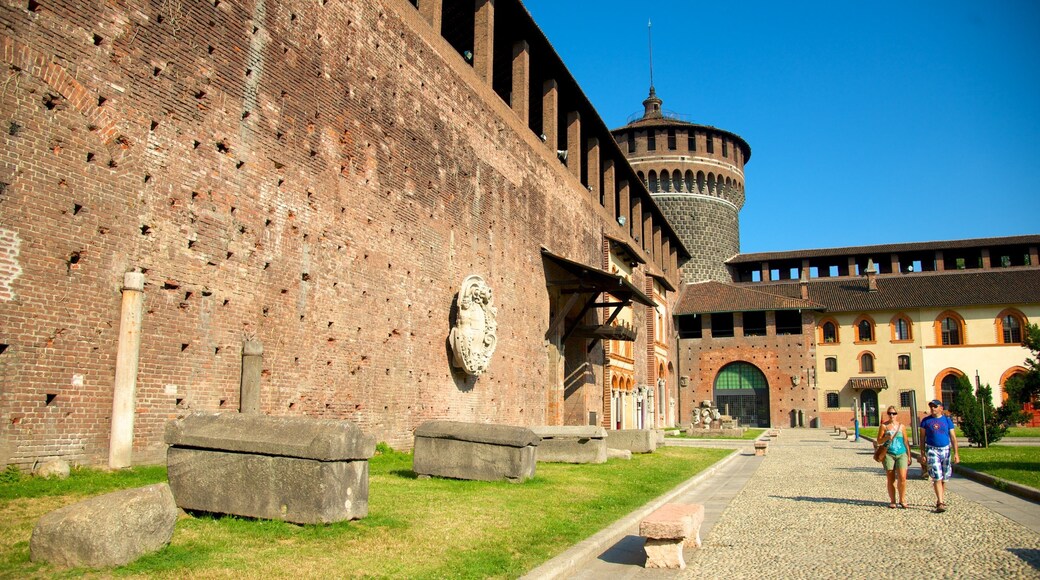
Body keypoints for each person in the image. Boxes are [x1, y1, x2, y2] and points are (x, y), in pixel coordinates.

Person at [919, 399, 959, 513]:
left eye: (935, 406)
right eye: (931, 406)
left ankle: (940, 498)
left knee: (945, 477)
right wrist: (922, 453)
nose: (933, 408)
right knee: (937, 476)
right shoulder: (925, 421)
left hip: (945, 450)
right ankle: (940, 502)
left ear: (941, 408)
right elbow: (922, 438)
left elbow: (953, 437)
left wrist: (956, 453)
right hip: (932, 450)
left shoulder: (947, 421)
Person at [877, 405, 911, 508]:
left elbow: (905, 441)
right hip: (889, 454)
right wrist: (886, 437)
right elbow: (879, 440)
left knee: (903, 477)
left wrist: (909, 455)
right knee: (890, 478)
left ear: (897, 414)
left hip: (901, 453)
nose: (892, 415)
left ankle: (902, 499)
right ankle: (893, 500)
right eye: (890, 413)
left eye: (894, 413)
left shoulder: (902, 426)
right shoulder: (884, 426)